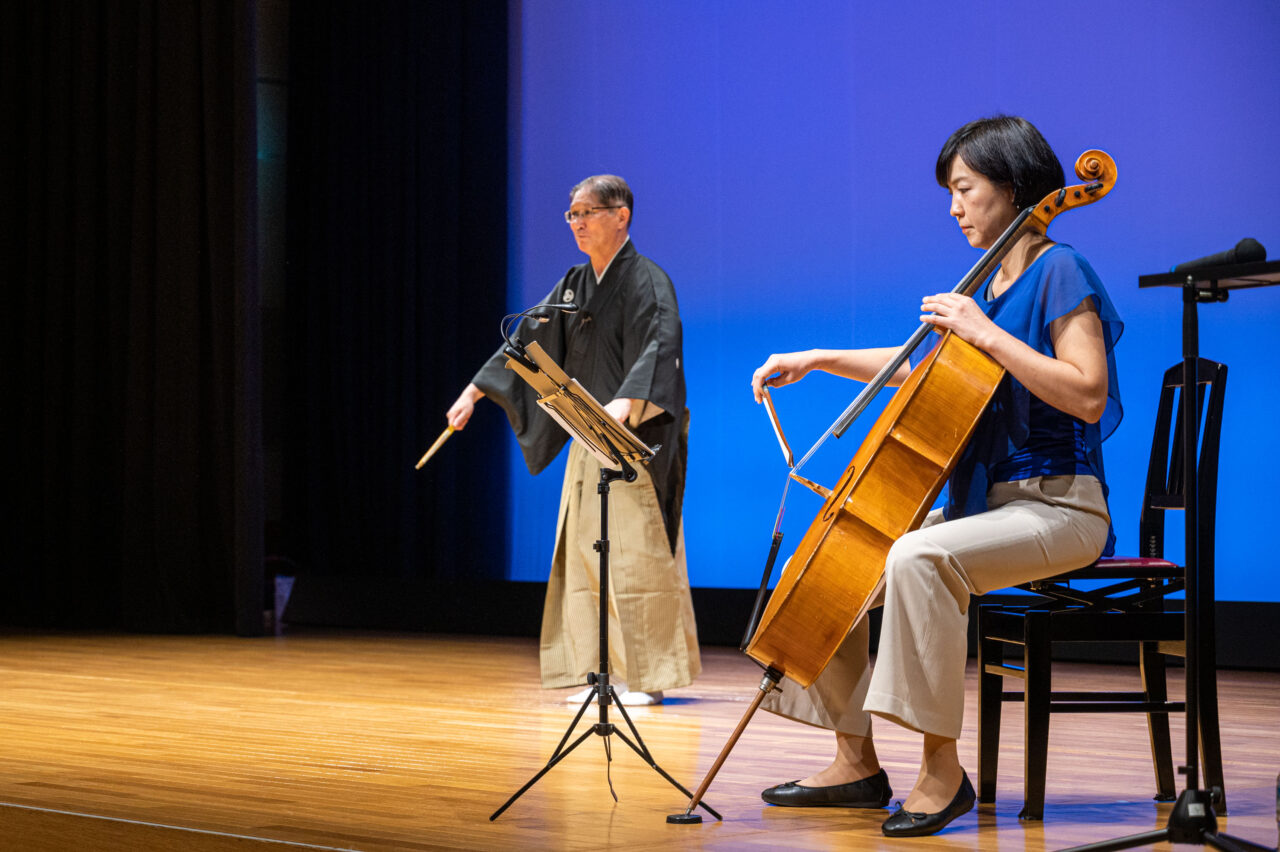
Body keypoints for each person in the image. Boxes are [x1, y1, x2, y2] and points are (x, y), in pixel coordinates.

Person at [748, 116, 1123, 837]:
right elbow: (926, 369)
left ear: (1013, 189)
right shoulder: (991, 285)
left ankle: (941, 772)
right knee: (843, 554)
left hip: (1061, 508)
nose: (954, 207)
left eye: (965, 189)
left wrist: (983, 331)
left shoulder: (1060, 268)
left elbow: (1086, 391)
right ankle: (855, 762)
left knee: (919, 553)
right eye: (950, 191)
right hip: (992, 508)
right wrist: (820, 356)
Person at [447, 175, 700, 707]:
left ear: (621, 215)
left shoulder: (648, 280)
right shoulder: (573, 284)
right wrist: (474, 391)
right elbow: (527, 338)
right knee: (587, 554)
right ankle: (599, 671)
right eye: (572, 215)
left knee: (635, 557)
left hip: (633, 438)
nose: (578, 224)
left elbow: (660, 344)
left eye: (588, 213)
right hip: (588, 430)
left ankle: (649, 676)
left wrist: (627, 403)